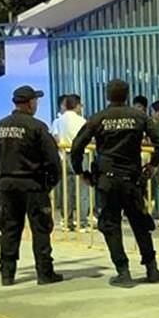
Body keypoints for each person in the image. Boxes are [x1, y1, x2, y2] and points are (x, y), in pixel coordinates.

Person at [72, 79, 159, 287]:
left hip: (106, 180)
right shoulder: (139, 116)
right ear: (126, 95)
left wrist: (81, 172)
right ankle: (151, 268)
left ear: (107, 95)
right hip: (132, 179)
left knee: (111, 225)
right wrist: (152, 165)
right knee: (140, 223)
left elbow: (77, 146)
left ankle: (123, 271)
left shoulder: (98, 118)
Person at [0, 85, 63, 287]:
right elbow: (53, 161)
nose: (36, 104)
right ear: (30, 103)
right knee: (41, 230)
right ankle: (44, 273)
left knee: (10, 229)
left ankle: (7, 273)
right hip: (33, 185)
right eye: (35, 101)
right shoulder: (37, 127)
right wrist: (48, 185)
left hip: (7, 186)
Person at [53, 93, 90, 230]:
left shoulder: (59, 120)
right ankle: (82, 222)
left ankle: (66, 220)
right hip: (81, 155)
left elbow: (56, 137)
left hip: (64, 156)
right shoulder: (81, 120)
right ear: (77, 106)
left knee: (66, 190)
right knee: (82, 189)